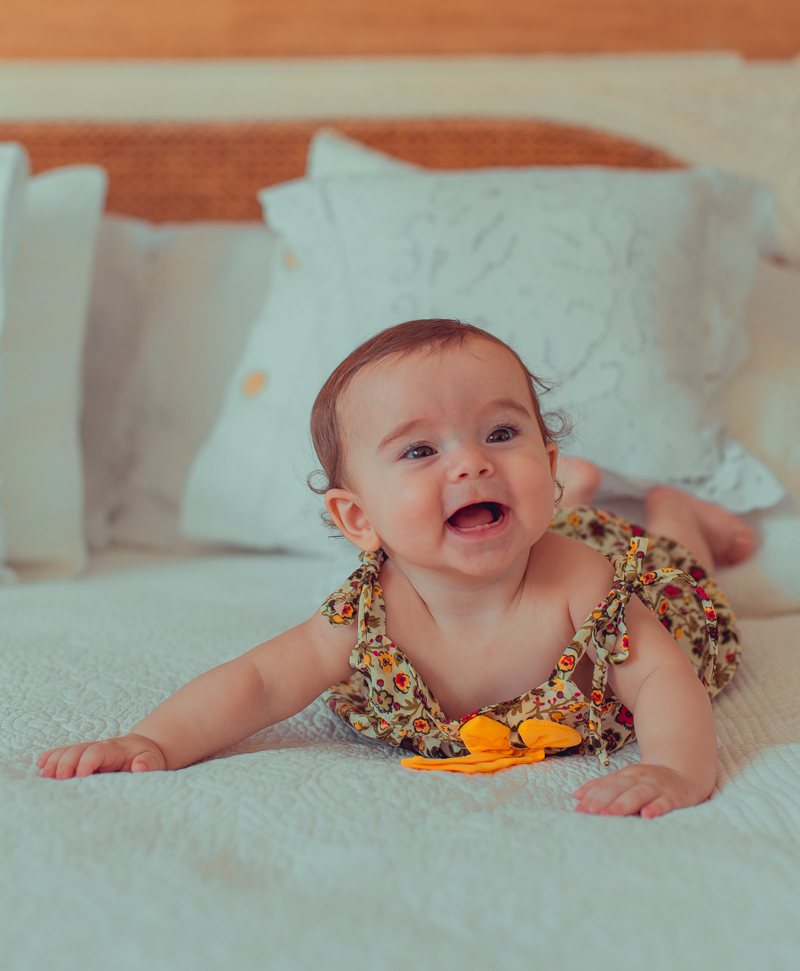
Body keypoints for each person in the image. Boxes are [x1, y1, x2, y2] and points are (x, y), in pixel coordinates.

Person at [38, 319, 744, 817]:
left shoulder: (587, 584)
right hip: (541, 524)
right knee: (555, 521)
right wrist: (154, 741)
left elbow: (659, 676)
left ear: (545, 463)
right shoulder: (366, 615)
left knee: (677, 562)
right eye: (419, 451)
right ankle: (585, 497)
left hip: (627, 565)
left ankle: (675, 512)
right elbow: (260, 682)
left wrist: (674, 767)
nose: (471, 462)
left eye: (502, 433)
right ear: (358, 519)